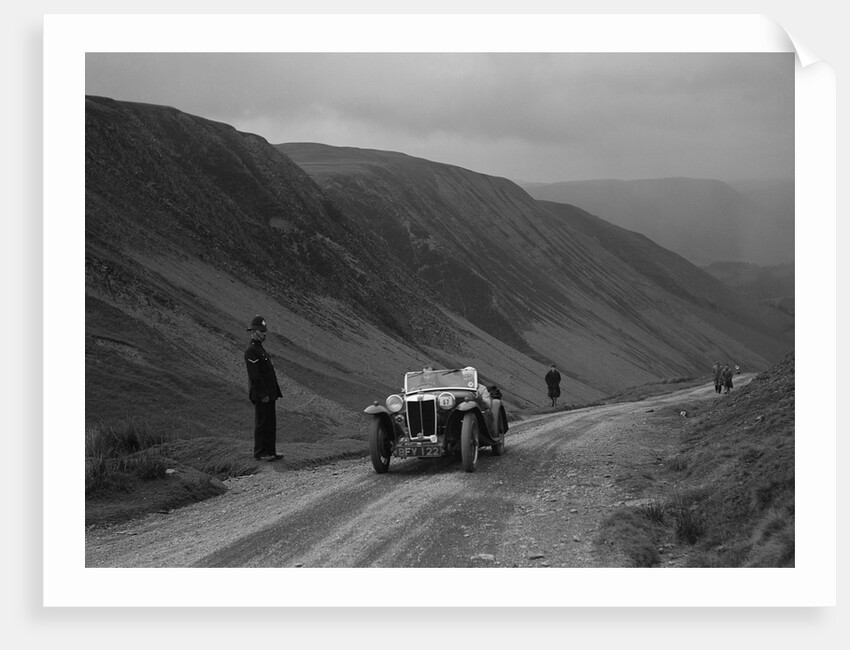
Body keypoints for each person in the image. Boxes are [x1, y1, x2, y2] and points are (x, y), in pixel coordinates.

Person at [244, 315, 283, 461]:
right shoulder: (251, 351)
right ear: (254, 332)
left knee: (270, 423)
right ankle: (260, 452)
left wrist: (273, 392)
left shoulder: (260, 349)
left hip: (270, 393)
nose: (264, 334)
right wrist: (263, 394)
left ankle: (271, 451)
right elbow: (255, 376)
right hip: (262, 394)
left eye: (264, 331)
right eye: (261, 331)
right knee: (262, 423)